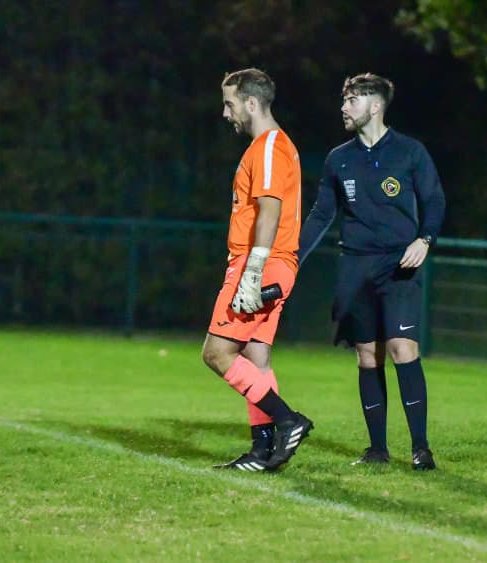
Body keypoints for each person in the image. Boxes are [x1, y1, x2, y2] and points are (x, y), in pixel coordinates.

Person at [298, 73, 445, 470]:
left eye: (352, 100)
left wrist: (425, 239)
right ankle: (377, 449)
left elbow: (434, 199)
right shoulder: (338, 158)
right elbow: (321, 214)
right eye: (344, 100)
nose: (343, 108)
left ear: (375, 105)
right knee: (367, 354)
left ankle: (421, 448)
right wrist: (292, 257)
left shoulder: (410, 152)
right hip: (355, 265)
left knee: (403, 348)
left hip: (398, 265)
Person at [201, 68, 313, 472]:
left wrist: (253, 270)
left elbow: (269, 210)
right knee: (256, 357)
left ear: (251, 103)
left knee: (216, 353)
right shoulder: (275, 146)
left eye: (229, 103)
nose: (225, 112)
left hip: (260, 264)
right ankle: (262, 451)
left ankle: (288, 421)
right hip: (275, 263)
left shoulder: (268, 147)